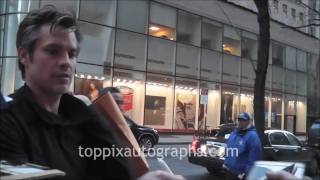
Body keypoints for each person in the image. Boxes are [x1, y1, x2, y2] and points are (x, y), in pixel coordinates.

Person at [0, 5, 183, 180]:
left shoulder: (83, 116)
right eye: (53, 51)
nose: (66, 62)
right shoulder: (7, 122)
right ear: (24, 56)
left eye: (72, 54)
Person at [223, 112, 262, 180]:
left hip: (241, 174)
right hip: (230, 172)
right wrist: (226, 163)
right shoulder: (234, 133)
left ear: (248, 121)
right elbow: (228, 149)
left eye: (243, 120)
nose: (240, 122)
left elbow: (254, 157)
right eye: (239, 120)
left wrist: (246, 172)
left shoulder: (252, 136)